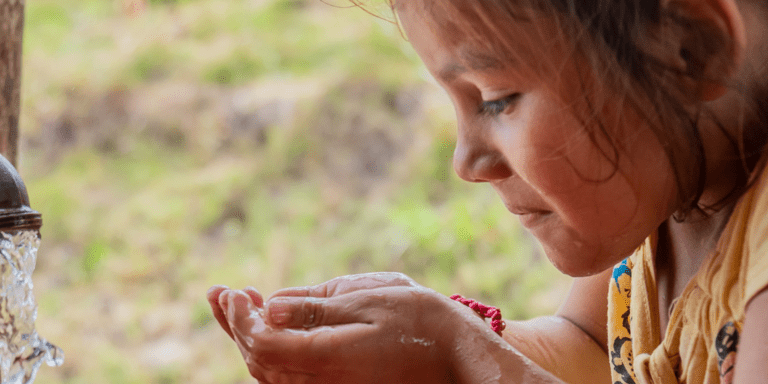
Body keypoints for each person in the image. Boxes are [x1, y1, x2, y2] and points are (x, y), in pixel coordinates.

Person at [207, 0, 768, 382]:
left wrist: (462, 355)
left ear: (690, 50)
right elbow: (588, 350)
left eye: (496, 98)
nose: (466, 162)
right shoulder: (661, 186)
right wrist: (420, 345)